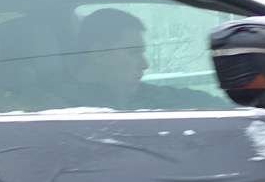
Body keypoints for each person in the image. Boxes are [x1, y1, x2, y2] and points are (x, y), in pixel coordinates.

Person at [68, 8, 216, 110]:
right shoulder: (65, 109)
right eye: (133, 53)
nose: (145, 64)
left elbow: (205, 102)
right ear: (99, 53)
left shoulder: (144, 94)